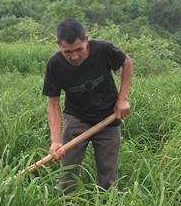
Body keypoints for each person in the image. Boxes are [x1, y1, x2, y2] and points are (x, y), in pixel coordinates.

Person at [42, 19, 133, 193]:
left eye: (79, 49)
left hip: (108, 118)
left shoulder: (103, 49)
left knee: (108, 175)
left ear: (86, 40)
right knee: (68, 174)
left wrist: (123, 99)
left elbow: (127, 62)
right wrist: (55, 141)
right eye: (68, 52)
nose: (75, 56)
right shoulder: (55, 64)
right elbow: (53, 104)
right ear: (58, 45)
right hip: (76, 119)